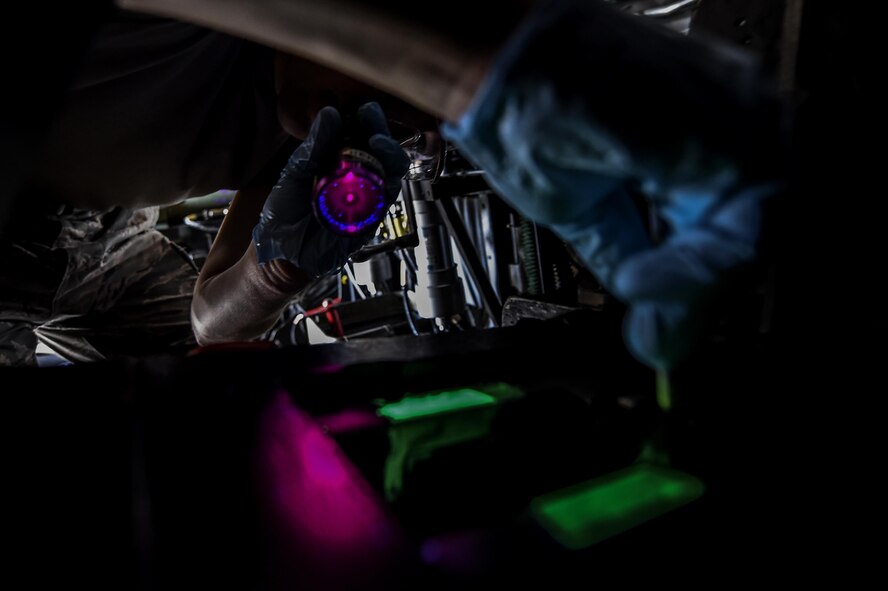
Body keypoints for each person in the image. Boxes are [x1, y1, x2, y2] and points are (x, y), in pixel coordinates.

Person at [122, 0, 785, 370]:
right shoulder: (240, 78)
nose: (421, 131)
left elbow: (205, 321)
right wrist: (474, 70)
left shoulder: (287, 116)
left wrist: (271, 274)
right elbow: (210, 322)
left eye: (420, 126)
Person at [0, 7, 424, 366]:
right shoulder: (201, 25)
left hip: (109, 240)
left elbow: (210, 326)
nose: (372, 113)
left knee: (219, 392)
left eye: (401, 124)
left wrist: (274, 272)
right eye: (388, 75)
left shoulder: (303, 136)